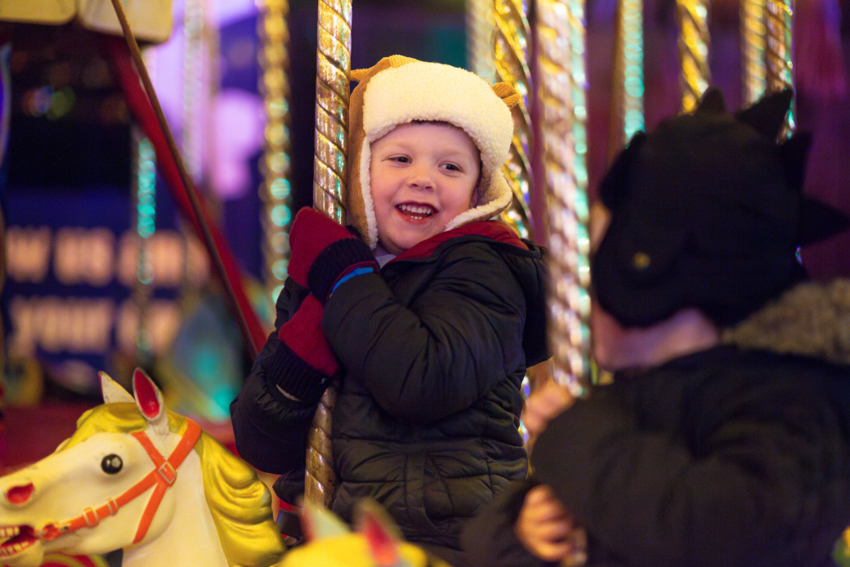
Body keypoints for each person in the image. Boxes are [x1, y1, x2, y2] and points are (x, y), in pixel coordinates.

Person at [461, 87, 850, 567]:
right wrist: (522, 531)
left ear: (652, 266)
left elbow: (727, 532)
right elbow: (483, 542)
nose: (587, 289)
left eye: (601, 254)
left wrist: (575, 439)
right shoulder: (632, 397)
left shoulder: (791, 401)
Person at [230, 55, 549, 567]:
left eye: (450, 166)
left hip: (445, 538)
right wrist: (312, 328)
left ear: (477, 191)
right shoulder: (333, 273)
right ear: (360, 171)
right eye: (400, 159)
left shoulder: (486, 268)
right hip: (325, 530)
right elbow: (261, 442)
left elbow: (422, 380)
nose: (424, 178)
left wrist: (346, 279)